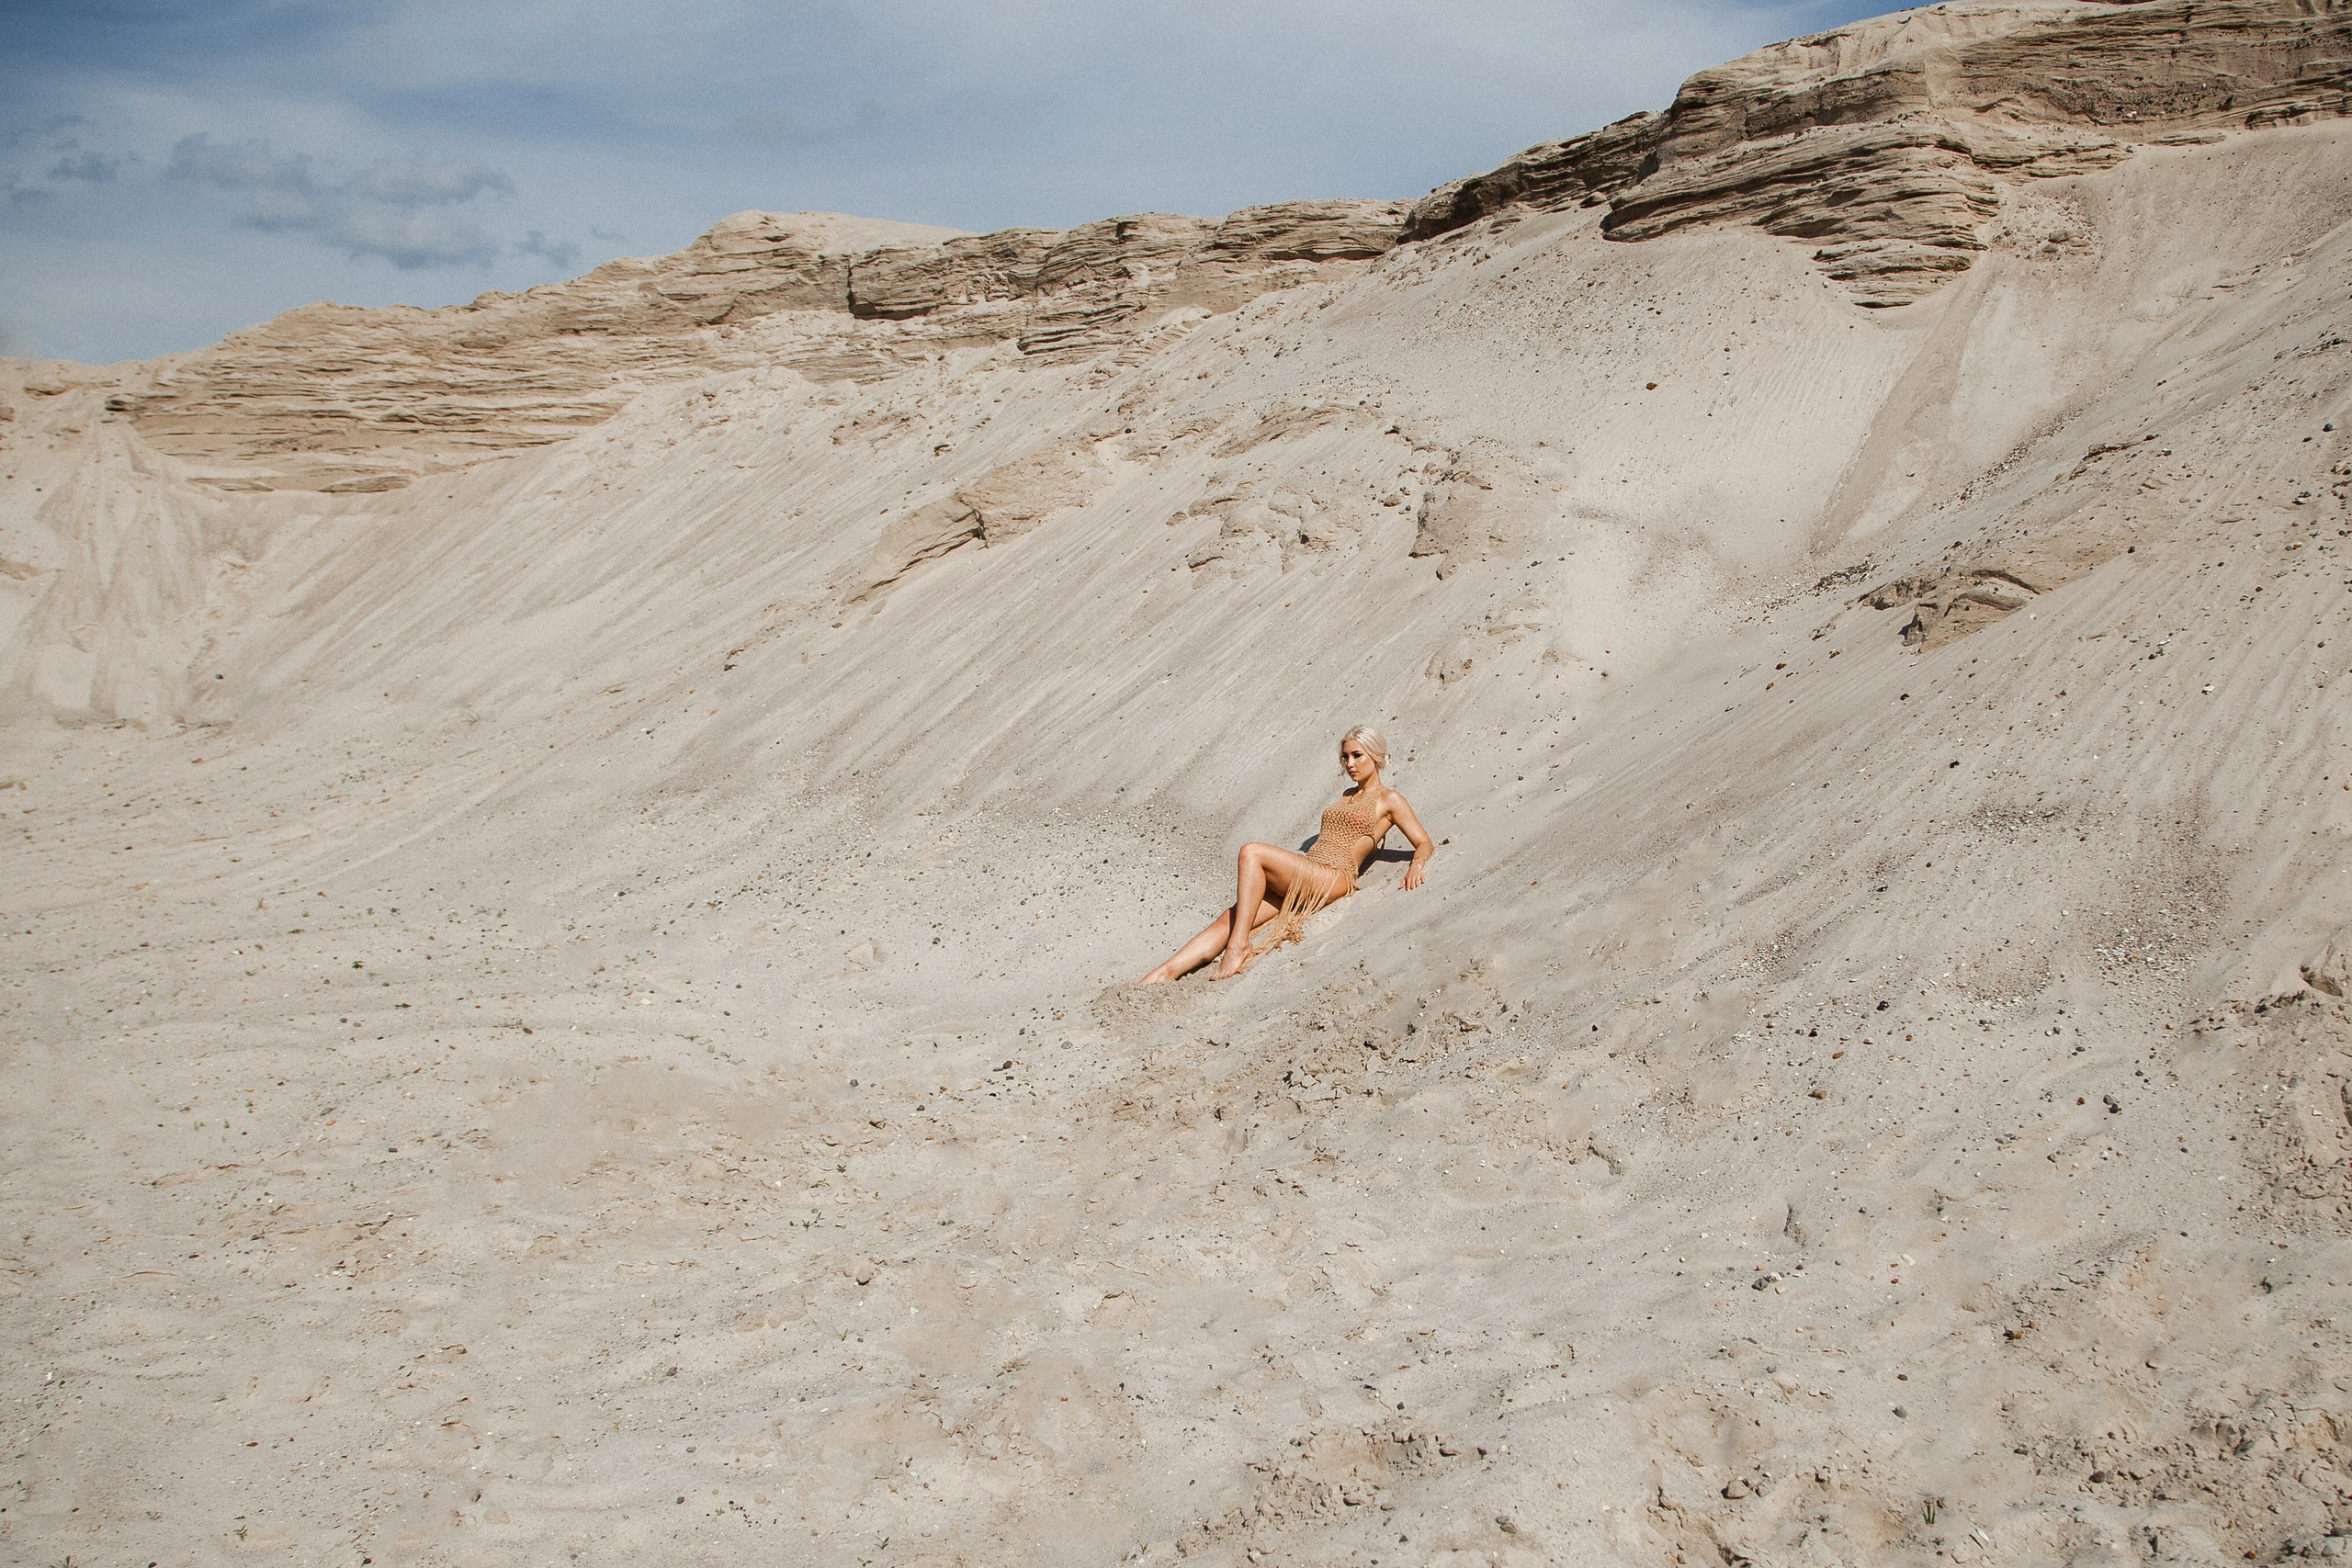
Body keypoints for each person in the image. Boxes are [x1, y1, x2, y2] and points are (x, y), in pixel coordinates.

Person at [1140, 725, 1433, 984]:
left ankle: (1238, 946)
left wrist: (1416, 867)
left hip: (1334, 877)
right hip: (1308, 871)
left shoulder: (1389, 799)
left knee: (1251, 852)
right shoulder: (1346, 795)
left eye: (1357, 755)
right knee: (1230, 917)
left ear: (1375, 755)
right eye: (1345, 757)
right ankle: (1160, 975)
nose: (1350, 763)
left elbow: (1423, 842)